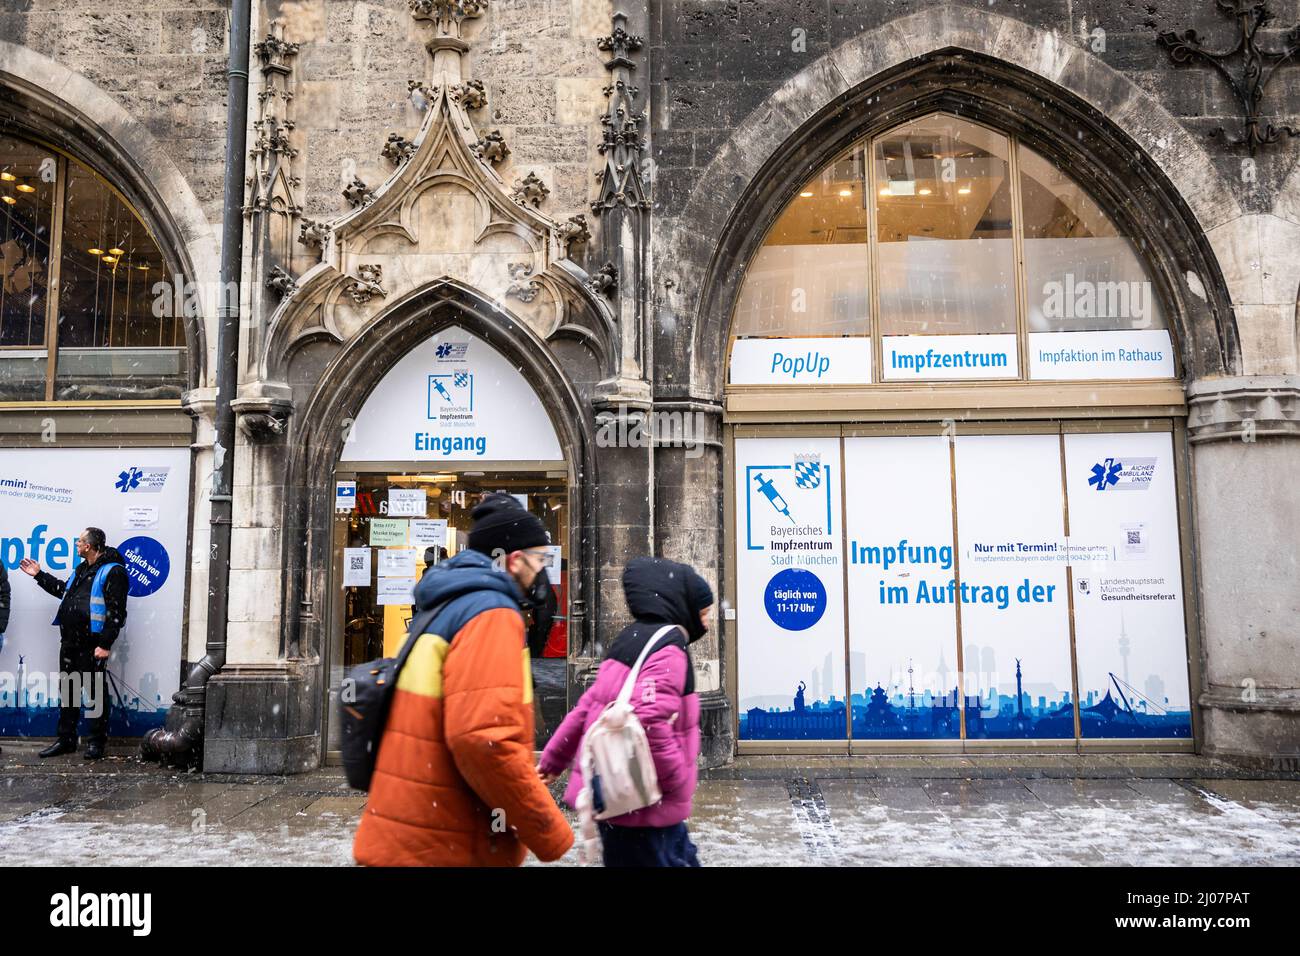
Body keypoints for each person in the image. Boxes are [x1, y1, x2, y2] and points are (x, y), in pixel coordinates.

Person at [352, 492, 574, 866]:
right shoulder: (492, 613)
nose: (541, 571)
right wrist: (549, 830)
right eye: (540, 559)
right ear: (516, 560)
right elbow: (485, 741)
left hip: (408, 830)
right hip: (444, 842)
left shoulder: (444, 604)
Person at [538, 556, 712, 867]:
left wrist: (553, 757)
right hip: (645, 803)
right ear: (683, 608)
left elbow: (588, 706)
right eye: (704, 613)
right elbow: (649, 721)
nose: (707, 623)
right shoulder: (669, 649)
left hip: (617, 794)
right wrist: (675, 780)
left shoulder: (630, 639)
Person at [18, 527, 128, 760]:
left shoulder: (113, 572)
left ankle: (96, 742)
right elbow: (63, 592)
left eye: (79, 541)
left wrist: (106, 644)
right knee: (68, 691)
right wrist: (39, 575)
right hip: (70, 642)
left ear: (89, 546)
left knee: (95, 694)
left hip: (92, 644)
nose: (77, 545)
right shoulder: (81, 569)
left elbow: (117, 612)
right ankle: (66, 739)